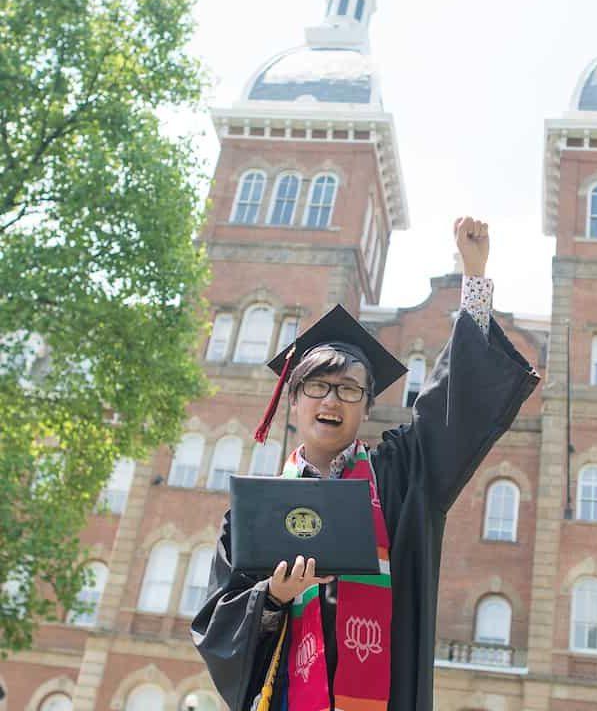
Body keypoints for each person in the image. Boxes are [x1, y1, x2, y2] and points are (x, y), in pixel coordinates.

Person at [191, 217, 540, 711]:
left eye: (349, 389)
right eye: (317, 386)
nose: (331, 400)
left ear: (367, 407)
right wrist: (271, 596)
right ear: (294, 401)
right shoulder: (257, 513)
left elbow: (451, 407)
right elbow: (217, 626)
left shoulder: (399, 477)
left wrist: (475, 279)